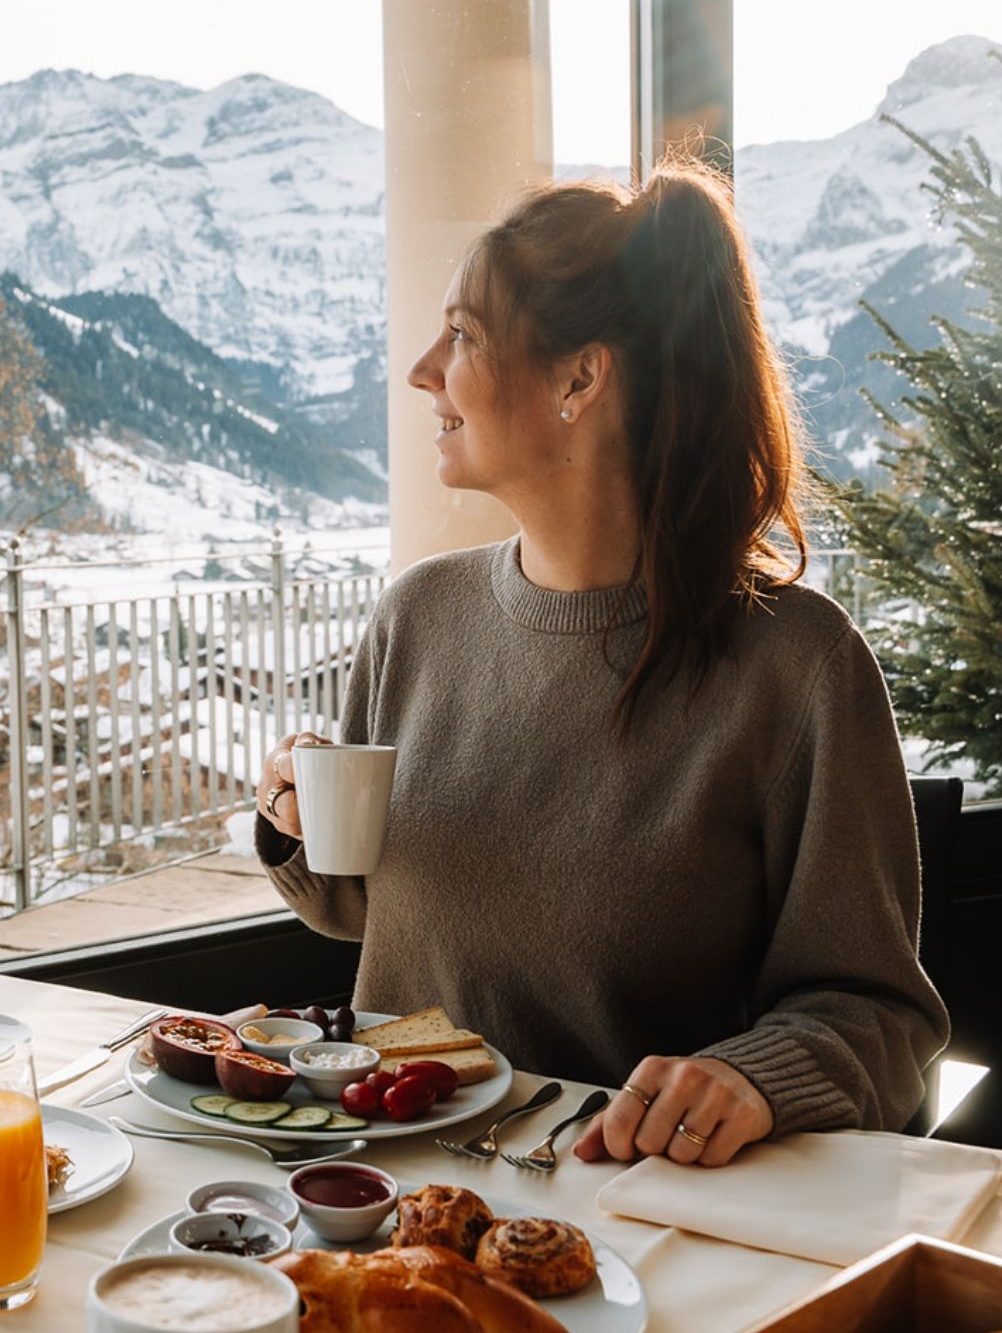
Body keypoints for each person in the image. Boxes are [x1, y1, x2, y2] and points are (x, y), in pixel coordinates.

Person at [255, 160, 947, 1168]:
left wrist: (754, 1076)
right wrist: (290, 822)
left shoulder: (795, 670)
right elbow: (359, 906)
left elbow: (879, 1024)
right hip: (387, 1201)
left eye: (461, 337)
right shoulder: (418, 614)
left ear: (579, 377)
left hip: (633, 1218)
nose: (418, 371)